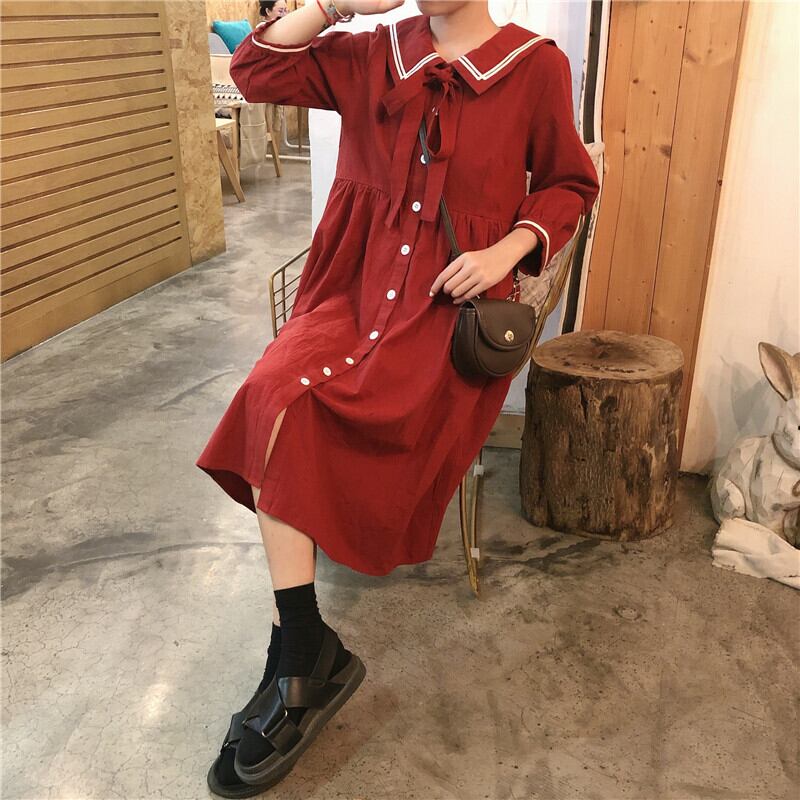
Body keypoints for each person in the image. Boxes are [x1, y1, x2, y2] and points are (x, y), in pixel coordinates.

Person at [199, 0, 600, 795]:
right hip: (348, 297)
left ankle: (298, 658)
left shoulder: (534, 67)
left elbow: (569, 181)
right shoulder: (372, 53)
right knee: (273, 397)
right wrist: (334, 6)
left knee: (301, 412)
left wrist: (510, 248)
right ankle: (302, 647)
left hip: (442, 317)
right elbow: (254, 71)